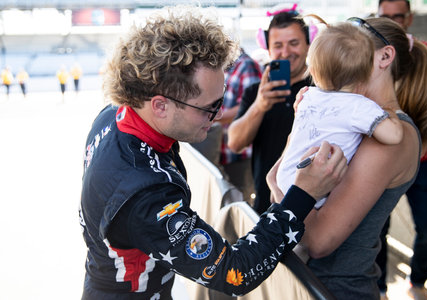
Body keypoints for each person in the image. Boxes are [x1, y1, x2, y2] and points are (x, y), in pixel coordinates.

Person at [78, 6, 347, 299]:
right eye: (209, 107)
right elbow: (235, 272)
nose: (218, 116)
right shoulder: (145, 193)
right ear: (160, 105)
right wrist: (303, 194)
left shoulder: (114, 115)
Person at [267, 16, 427, 299]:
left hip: (334, 288)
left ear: (385, 56)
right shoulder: (351, 118)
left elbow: (319, 240)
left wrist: (280, 187)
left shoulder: (390, 134)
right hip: (304, 282)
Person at [276, 23, 404, 210]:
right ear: (365, 73)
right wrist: (391, 109)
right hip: (315, 192)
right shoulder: (360, 107)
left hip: (286, 177)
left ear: (312, 70)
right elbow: (394, 136)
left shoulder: (306, 95)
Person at [376, 1, 427, 299]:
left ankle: (417, 285)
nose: (393, 22)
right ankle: (378, 288)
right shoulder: (370, 55)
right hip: (380, 160)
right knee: (376, 230)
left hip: (424, 159)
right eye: (386, 17)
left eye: (397, 16)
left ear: (409, 18)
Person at [228, 7, 313, 215]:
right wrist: (260, 105)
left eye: (293, 43)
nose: (285, 53)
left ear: (308, 44)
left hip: (312, 206)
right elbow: (235, 143)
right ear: (268, 49)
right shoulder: (256, 92)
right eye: (278, 46)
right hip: (265, 206)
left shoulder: (320, 89)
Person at [218, 48, 262, 203]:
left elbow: (251, 104)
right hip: (223, 149)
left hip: (239, 152)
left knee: (241, 200)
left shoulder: (247, 66)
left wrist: (215, 116)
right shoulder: (226, 67)